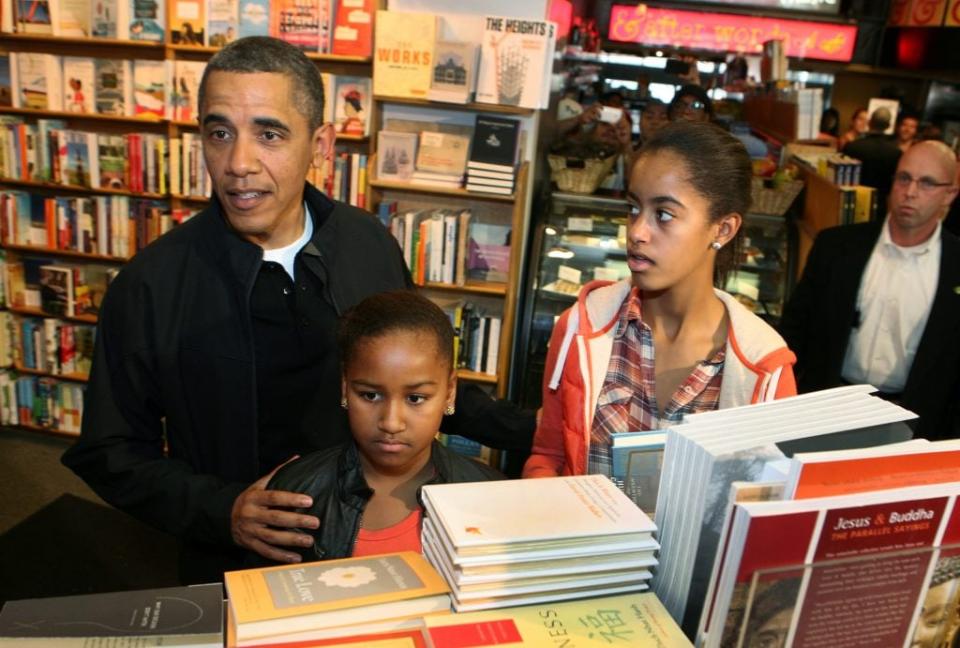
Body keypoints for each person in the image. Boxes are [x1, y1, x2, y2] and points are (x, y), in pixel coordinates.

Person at [61, 36, 533, 585]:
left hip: (380, 548)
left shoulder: (367, 243)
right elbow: (109, 451)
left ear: (322, 144)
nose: (239, 163)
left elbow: (421, 373)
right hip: (233, 571)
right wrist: (223, 509)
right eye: (220, 134)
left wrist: (531, 430)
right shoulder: (150, 285)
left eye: (269, 134)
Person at [523, 121, 797, 478]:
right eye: (634, 208)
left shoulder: (762, 368)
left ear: (723, 229)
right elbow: (549, 455)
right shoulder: (583, 326)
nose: (637, 232)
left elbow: (766, 506)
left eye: (664, 214)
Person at [251, 291, 503, 563]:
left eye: (415, 398)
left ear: (449, 392)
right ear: (345, 388)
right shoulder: (296, 493)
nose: (391, 422)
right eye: (370, 395)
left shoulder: (492, 498)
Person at [779, 140, 960, 441]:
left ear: (949, 195)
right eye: (904, 178)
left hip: (913, 428)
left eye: (926, 183)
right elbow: (794, 331)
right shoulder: (836, 247)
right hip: (824, 411)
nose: (910, 192)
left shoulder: (955, 265)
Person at [844, 107, 902, 218]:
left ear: (869, 123)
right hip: (880, 205)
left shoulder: (853, 147)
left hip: (852, 201)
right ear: (888, 126)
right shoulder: (896, 153)